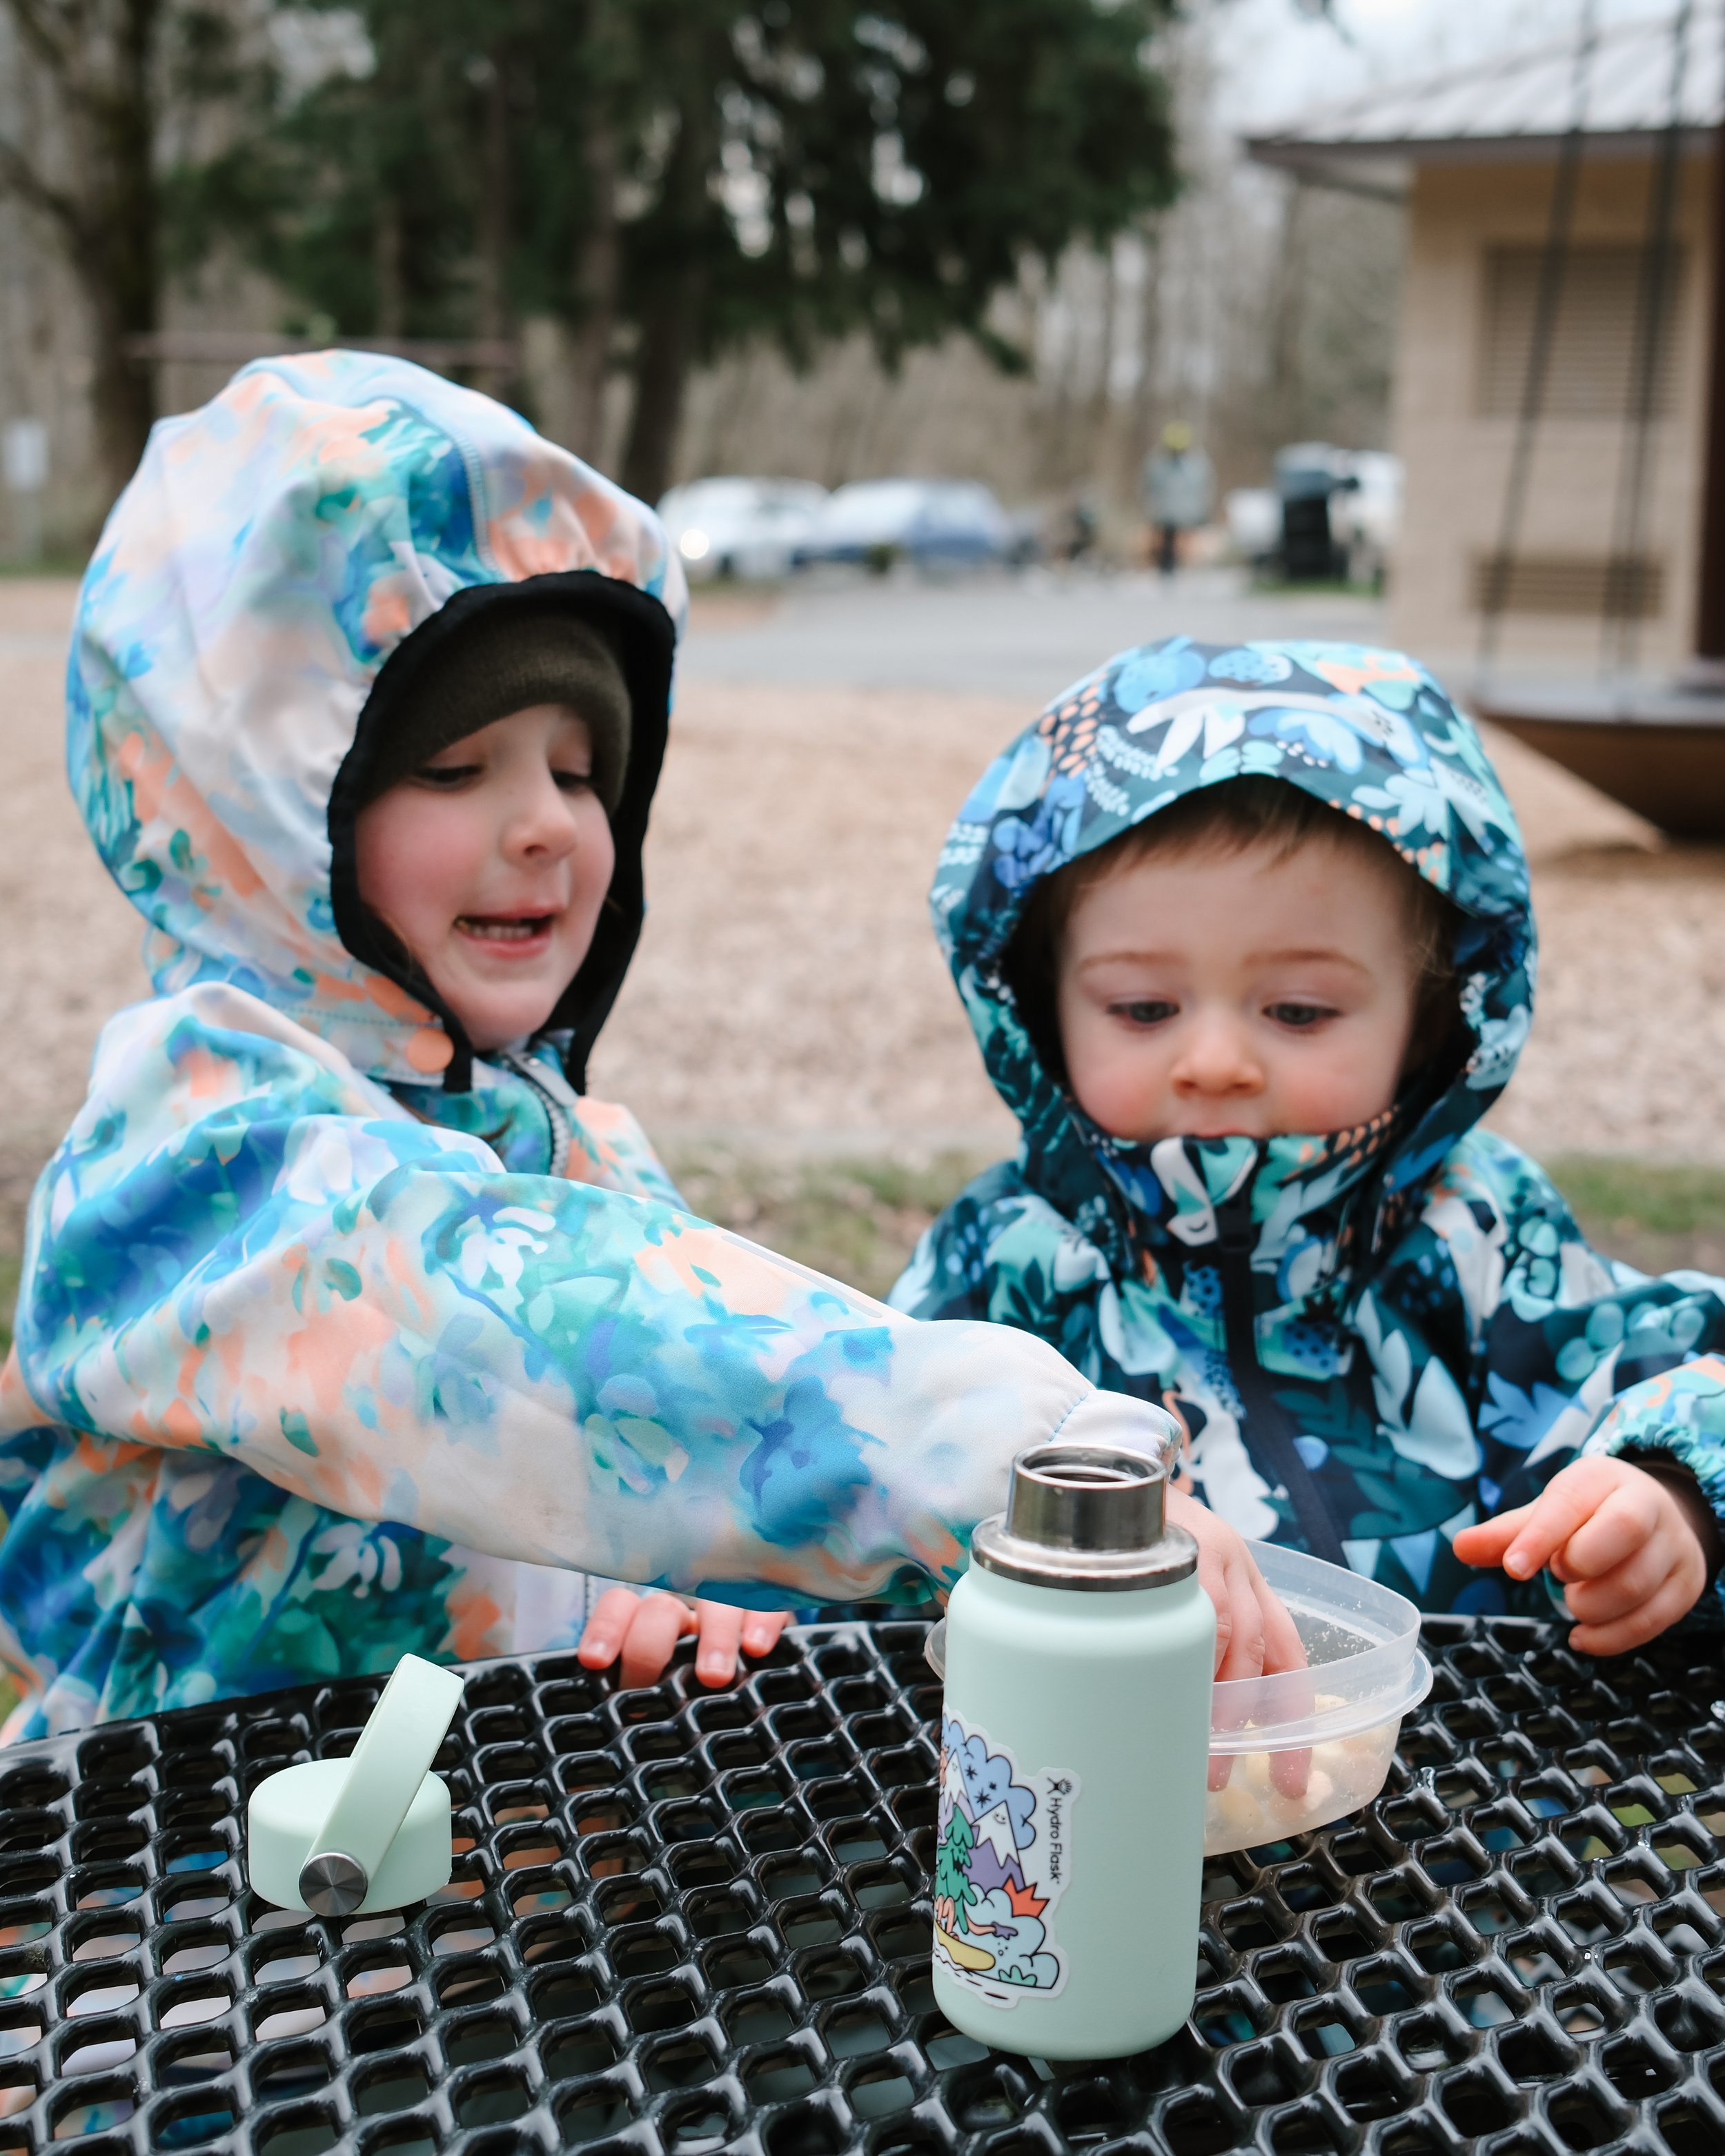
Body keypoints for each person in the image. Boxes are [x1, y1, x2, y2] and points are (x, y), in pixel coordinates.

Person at [0, 352, 1193, 1739]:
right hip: (182, 1843)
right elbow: (507, 1331)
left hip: (486, 1828)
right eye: (454, 768)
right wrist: (1005, 1447)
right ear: (259, 814)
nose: (547, 825)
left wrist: (708, 1589)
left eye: (578, 770)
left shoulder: (554, 1136)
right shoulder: (195, 1160)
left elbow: (674, 1444)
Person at [891, 636, 1725, 1654]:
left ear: (1431, 1018)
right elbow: (864, 1464)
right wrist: (751, 1593)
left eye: (1297, 1010)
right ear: (1039, 1008)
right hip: (1093, 1748)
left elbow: (1668, 1370)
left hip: (1456, 1748)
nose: (1214, 1061)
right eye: (1144, 1007)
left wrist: (1669, 1493)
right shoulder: (1001, 1259)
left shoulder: (1481, 1230)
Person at [1141, 422, 1215, 579]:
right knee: (1168, 542)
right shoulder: (1159, 465)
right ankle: (1169, 570)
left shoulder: (1194, 466)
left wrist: (1201, 510)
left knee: (1185, 542)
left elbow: (1202, 488)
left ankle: (1189, 571)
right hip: (1167, 514)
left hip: (1186, 515)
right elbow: (1149, 487)